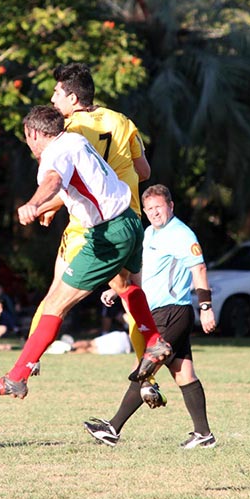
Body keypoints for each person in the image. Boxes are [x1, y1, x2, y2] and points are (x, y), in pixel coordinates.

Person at [0, 105, 172, 400]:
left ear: (36, 133)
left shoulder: (53, 154)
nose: (29, 143)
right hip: (129, 221)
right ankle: (154, 341)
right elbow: (83, 185)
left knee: (54, 305)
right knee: (125, 285)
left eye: (27, 137)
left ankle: (16, 377)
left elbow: (53, 181)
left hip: (107, 234)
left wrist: (33, 203)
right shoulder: (76, 141)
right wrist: (47, 207)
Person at [27, 63, 156, 388]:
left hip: (90, 225)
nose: (54, 99)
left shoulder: (68, 131)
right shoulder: (122, 121)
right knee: (131, 298)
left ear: (72, 97)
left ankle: (27, 364)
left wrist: (46, 204)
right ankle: (148, 377)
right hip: (131, 217)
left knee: (55, 296)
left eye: (58, 93)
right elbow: (144, 172)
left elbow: (73, 179)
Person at [83, 184, 218, 449]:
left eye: (159, 207)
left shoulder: (181, 234)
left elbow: (199, 268)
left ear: (171, 206)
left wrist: (206, 307)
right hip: (156, 312)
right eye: (149, 209)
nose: (154, 212)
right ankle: (204, 435)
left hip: (173, 311)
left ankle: (112, 428)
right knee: (184, 374)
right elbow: (145, 270)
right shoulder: (149, 233)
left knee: (146, 368)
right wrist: (117, 289)